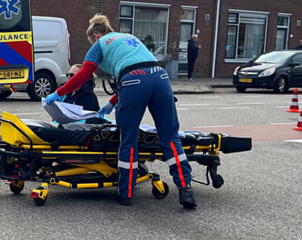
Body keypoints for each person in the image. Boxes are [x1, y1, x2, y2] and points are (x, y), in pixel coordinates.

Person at [45, 14, 196, 209]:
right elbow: (139, 69)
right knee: (170, 137)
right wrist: (112, 102)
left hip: (133, 81)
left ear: (96, 36)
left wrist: (58, 93)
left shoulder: (99, 45)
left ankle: (125, 193)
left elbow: (83, 75)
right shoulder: (129, 37)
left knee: (128, 139)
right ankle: (186, 189)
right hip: (160, 77)